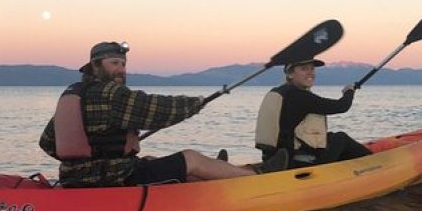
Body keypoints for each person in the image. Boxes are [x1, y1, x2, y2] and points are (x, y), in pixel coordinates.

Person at [40, 41, 288, 187]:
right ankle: (258, 177)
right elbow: (158, 109)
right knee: (190, 158)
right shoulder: (110, 94)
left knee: (148, 160)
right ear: (95, 66)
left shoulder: (72, 94)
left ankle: (220, 174)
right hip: (111, 181)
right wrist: (199, 102)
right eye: (114, 63)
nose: (121, 70)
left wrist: (96, 153)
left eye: (123, 64)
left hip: (75, 179)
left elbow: (48, 143)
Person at [255, 58, 371, 168]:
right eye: (304, 69)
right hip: (297, 161)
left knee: (329, 137)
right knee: (341, 138)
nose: (310, 73)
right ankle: (375, 163)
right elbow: (341, 106)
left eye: (312, 69)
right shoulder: (300, 96)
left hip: (278, 156)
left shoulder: (280, 92)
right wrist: (349, 91)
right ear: (290, 74)